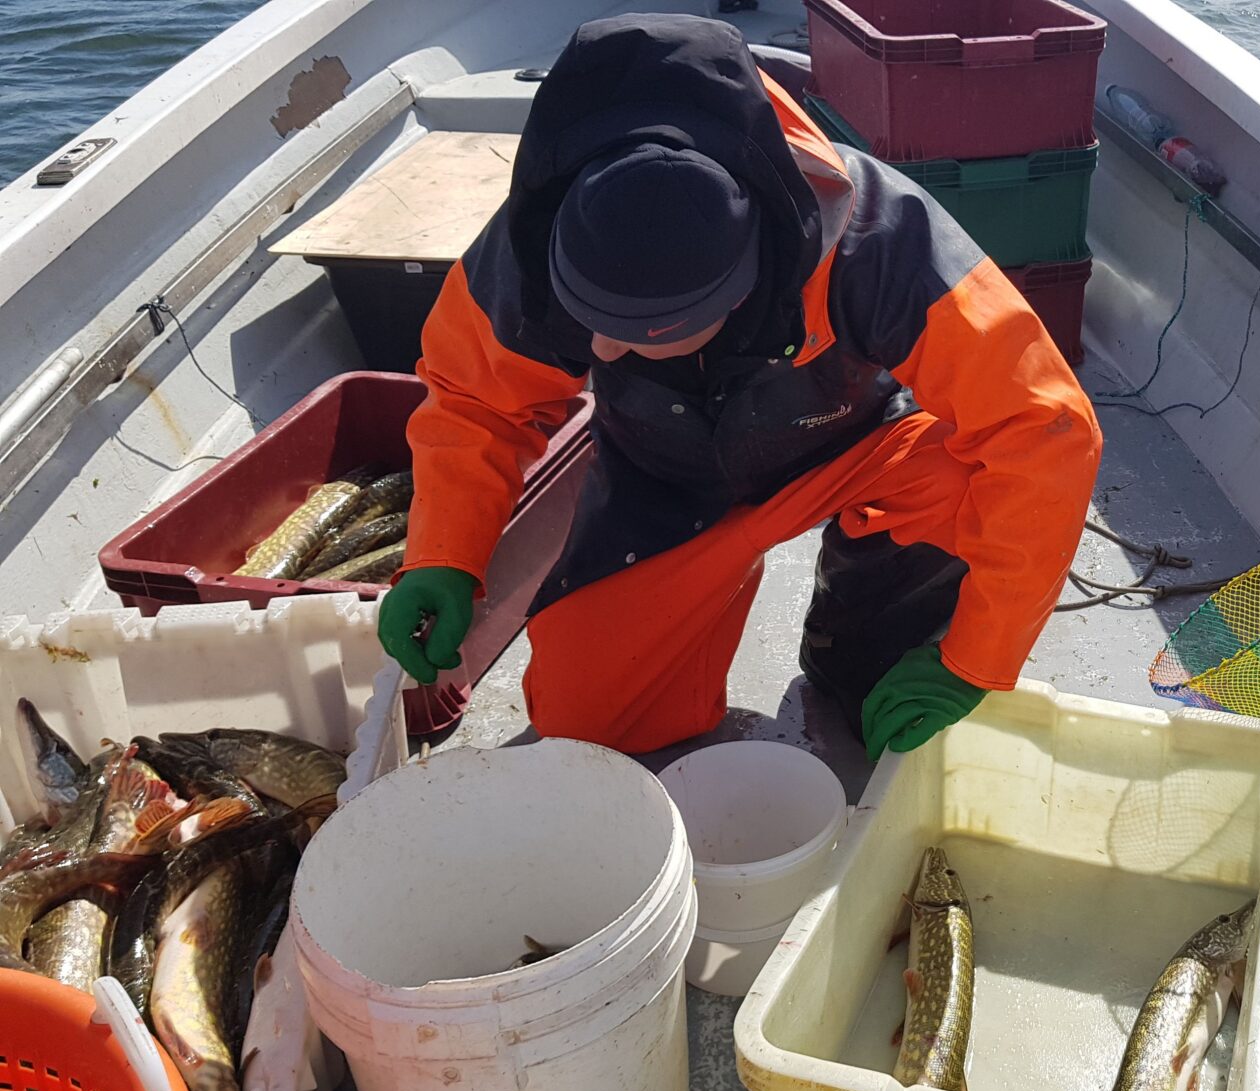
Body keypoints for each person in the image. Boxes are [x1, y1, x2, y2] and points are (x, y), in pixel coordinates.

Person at [375, 14, 1101, 759]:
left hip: (854, 448)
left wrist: (976, 658)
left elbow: (1042, 429)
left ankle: (861, 641)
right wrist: (443, 556)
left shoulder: (883, 239)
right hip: (665, 482)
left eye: (638, 333)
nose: (600, 352)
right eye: (589, 317)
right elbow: (475, 402)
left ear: (737, 292)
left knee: (964, 477)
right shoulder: (536, 237)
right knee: (588, 726)